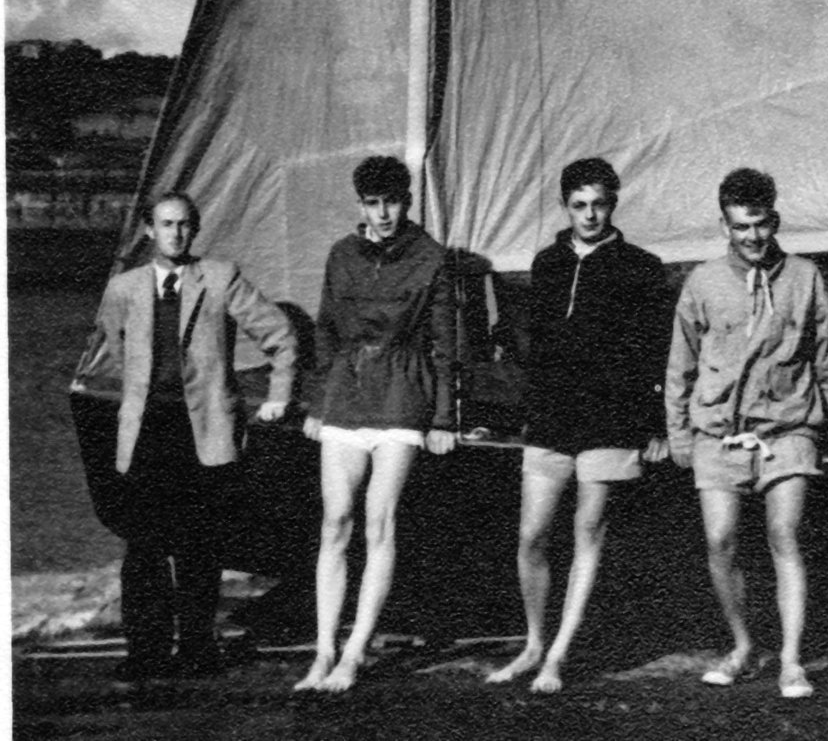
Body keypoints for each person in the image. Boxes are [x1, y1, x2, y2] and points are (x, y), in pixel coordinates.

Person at [665, 166, 828, 701]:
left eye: (761, 225)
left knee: (784, 534)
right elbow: (679, 368)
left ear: (774, 219)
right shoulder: (702, 282)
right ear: (724, 225)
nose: (752, 238)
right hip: (717, 435)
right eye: (740, 227)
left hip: (788, 430)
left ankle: (793, 660)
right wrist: (680, 436)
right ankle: (743, 646)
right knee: (720, 539)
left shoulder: (805, 277)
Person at [484, 156, 669, 693]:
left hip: (612, 421)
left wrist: (656, 425)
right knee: (532, 534)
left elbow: (654, 352)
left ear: (614, 203)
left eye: (600, 204)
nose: (590, 215)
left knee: (588, 532)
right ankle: (535, 642)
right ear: (565, 207)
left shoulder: (641, 267)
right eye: (579, 205)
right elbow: (537, 347)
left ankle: (558, 656)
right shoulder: (547, 263)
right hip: (550, 418)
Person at [98, 190, 297, 683]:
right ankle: (145, 652)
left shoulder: (220, 277)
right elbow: (108, 354)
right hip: (146, 434)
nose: (176, 233)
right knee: (142, 549)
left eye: (185, 224)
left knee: (198, 545)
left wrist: (279, 395)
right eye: (166, 224)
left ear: (196, 229)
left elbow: (281, 336)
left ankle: (197, 649)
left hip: (202, 432)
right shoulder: (124, 288)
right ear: (150, 230)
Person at [295, 155, 456, 692]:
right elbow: (324, 331)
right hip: (346, 393)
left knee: (377, 522)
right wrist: (316, 404)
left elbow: (445, 342)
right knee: (334, 523)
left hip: (401, 395)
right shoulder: (341, 255)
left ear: (407, 201)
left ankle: (355, 651)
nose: (384, 213)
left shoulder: (430, 257)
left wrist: (443, 417)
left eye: (392, 201)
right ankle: (323, 652)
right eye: (373, 202)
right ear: (361, 204)